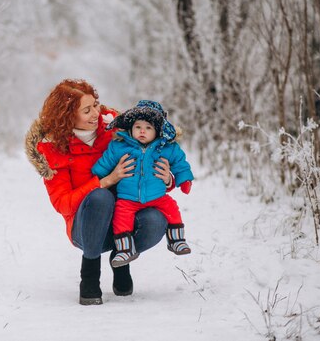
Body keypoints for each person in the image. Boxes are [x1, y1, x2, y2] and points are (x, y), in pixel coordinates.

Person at [25, 79, 174, 306]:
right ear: (68, 116)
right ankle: (90, 276)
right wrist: (105, 181)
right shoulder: (53, 148)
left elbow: (150, 160)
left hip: (124, 217)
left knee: (156, 219)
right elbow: (63, 204)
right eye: (87, 110)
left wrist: (167, 179)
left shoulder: (118, 130)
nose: (96, 113)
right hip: (84, 228)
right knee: (100, 197)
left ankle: (120, 259)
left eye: (95, 104)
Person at [91, 100, 194, 268]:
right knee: (121, 219)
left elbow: (180, 163)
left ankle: (177, 240)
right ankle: (124, 249)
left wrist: (184, 181)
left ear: (158, 131)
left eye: (148, 128)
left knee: (172, 209)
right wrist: (98, 175)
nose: (142, 131)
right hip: (128, 198)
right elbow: (105, 163)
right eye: (138, 127)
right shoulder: (119, 147)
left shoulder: (166, 148)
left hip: (157, 197)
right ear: (131, 128)